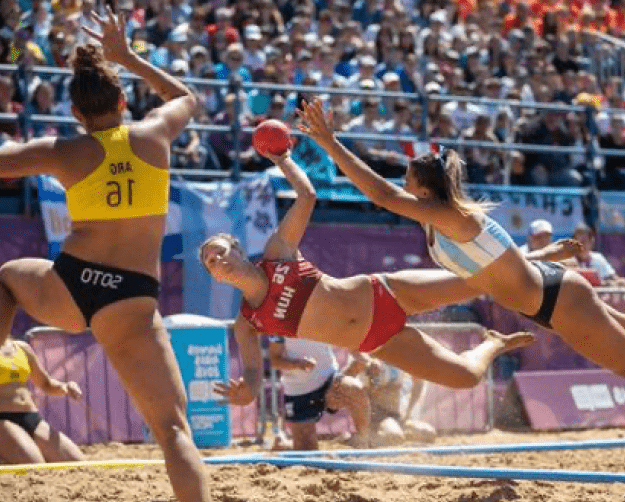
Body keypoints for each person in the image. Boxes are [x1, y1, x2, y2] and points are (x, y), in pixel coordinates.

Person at [298, 98, 625, 477]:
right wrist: (544, 256)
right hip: (551, 291)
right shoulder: (447, 220)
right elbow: (498, 265)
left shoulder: (450, 216)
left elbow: (380, 194)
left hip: (555, 302)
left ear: (424, 188)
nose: (403, 181)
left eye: (409, 177)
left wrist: (329, 141)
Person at [0, 12, 219, 502]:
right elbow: (189, 96)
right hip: (133, 302)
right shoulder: (155, 134)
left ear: (75, 112)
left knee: (8, 276)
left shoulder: (65, 151)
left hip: (73, 287)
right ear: (122, 102)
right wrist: (128, 58)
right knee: (172, 431)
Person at [201, 148, 535, 409]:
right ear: (215, 277)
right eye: (210, 262)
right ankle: (494, 342)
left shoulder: (276, 255)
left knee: (478, 283)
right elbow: (254, 372)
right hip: (377, 341)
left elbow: (307, 196)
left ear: (238, 250)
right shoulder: (246, 323)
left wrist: (283, 159)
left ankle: (532, 258)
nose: (217, 260)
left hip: (384, 292)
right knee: (465, 378)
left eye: (220, 251)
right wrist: (247, 391)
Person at [0, 337, 85, 465]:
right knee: (36, 467)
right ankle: (2, 452)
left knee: (79, 464)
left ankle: (1, 457)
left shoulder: (22, 348)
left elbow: (46, 384)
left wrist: (66, 387)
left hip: (32, 418)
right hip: (0, 419)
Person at [230, 336, 371, 450]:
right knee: (307, 449)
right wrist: (297, 364)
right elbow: (274, 360)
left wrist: (362, 357)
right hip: (299, 390)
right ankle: (285, 446)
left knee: (355, 390)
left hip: (328, 378)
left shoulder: (321, 310)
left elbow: (345, 335)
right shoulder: (279, 321)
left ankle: (364, 443)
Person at [346, 351, 436, 446]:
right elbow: (349, 380)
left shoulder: (401, 356)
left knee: (429, 433)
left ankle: (388, 434)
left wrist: (408, 412)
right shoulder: (368, 358)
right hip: (375, 418)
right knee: (393, 437)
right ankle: (362, 438)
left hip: (396, 416)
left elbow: (418, 380)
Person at [565, 223, 625, 287]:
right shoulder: (568, 260)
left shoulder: (598, 258)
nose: (580, 246)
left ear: (591, 242)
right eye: (577, 243)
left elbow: (614, 279)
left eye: (584, 242)